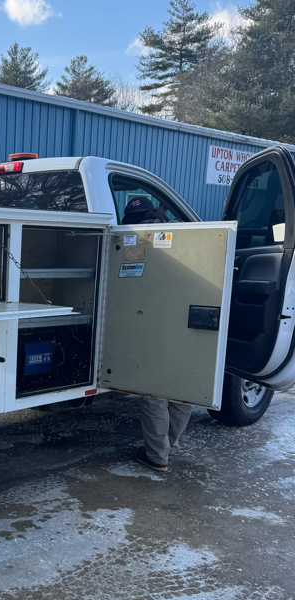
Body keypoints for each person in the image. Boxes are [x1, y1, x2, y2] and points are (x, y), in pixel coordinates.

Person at [120, 196, 192, 474]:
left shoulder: (133, 240)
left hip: (148, 323)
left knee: (154, 392)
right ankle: (166, 447)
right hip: (188, 321)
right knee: (183, 389)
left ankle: (157, 455)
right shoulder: (185, 236)